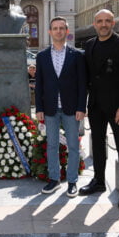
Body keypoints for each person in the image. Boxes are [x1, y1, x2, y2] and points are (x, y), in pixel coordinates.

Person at [79, 9, 119, 208]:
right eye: (100, 21)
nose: (103, 24)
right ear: (94, 24)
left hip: (117, 106)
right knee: (97, 144)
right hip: (95, 105)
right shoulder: (89, 44)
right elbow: (87, 76)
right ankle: (99, 181)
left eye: (107, 21)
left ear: (113, 23)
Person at [35, 17, 86, 197]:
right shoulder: (42, 56)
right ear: (50, 32)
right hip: (50, 109)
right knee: (52, 145)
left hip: (71, 108)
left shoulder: (77, 55)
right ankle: (54, 179)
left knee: (73, 146)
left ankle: (72, 181)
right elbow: (39, 84)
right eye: (55, 28)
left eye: (61, 28)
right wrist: (39, 108)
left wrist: (81, 107)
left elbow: (82, 84)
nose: (58, 31)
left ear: (66, 31)